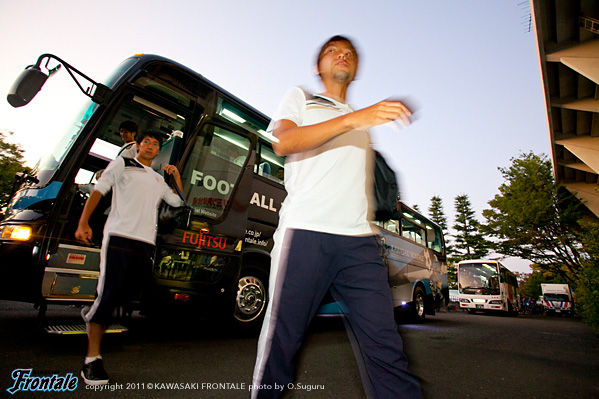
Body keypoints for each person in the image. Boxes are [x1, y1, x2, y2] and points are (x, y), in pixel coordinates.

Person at [251, 35, 422, 398]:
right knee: (282, 344)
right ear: (319, 66)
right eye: (333, 51)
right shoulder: (303, 97)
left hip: (360, 243)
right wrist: (355, 119)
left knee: (386, 347)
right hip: (305, 233)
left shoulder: (363, 124)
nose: (342, 56)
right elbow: (284, 142)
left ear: (356, 68)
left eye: (350, 53)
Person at [75, 130, 183, 386]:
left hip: (145, 243)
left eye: (156, 144)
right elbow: (99, 190)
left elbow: (177, 202)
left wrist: (176, 176)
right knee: (109, 295)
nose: (150, 146)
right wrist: (84, 223)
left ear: (159, 151)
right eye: (146, 142)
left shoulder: (158, 179)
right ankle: (92, 360)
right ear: (137, 145)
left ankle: (92, 314)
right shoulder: (123, 164)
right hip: (119, 237)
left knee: (126, 296)